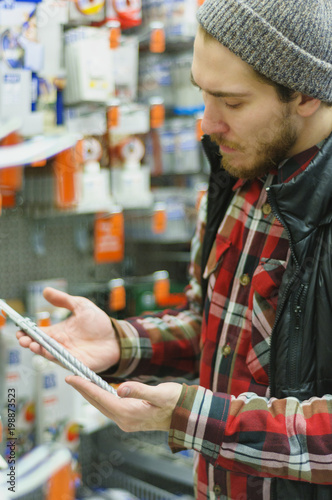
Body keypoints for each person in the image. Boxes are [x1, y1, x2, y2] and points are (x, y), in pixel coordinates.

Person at [17, 0, 332, 498]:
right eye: (202, 93)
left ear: (306, 95)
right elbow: (221, 330)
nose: (207, 123)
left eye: (232, 102)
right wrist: (121, 342)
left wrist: (190, 417)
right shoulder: (239, 177)